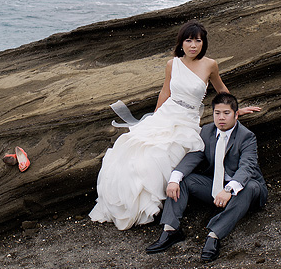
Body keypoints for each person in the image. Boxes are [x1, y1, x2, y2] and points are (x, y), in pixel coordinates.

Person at [89, 21, 255, 230]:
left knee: (161, 155)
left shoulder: (210, 65)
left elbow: (221, 90)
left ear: (203, 43)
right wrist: (155, 118)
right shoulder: (172, 64)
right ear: (181, 43)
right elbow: (165, 92)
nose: (193, 45)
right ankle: (132, 203)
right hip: (167, 113)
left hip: (187, 120)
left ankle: (155, 204)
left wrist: (236, 111)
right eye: (188, 40)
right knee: (136, 150)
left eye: (197, 40)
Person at [146, 92, 267, 262]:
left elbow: (247, 167)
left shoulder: (247, 137)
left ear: (236, 114)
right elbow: (194, 156)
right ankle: (170, 230)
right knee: (185, 180)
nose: (221, 118)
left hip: (244, 191)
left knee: (249, 187)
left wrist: (228, 190)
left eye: (226, 113)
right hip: (215, 188)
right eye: (217, 113)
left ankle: (214, 236)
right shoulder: (207, 131)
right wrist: (174, 178)